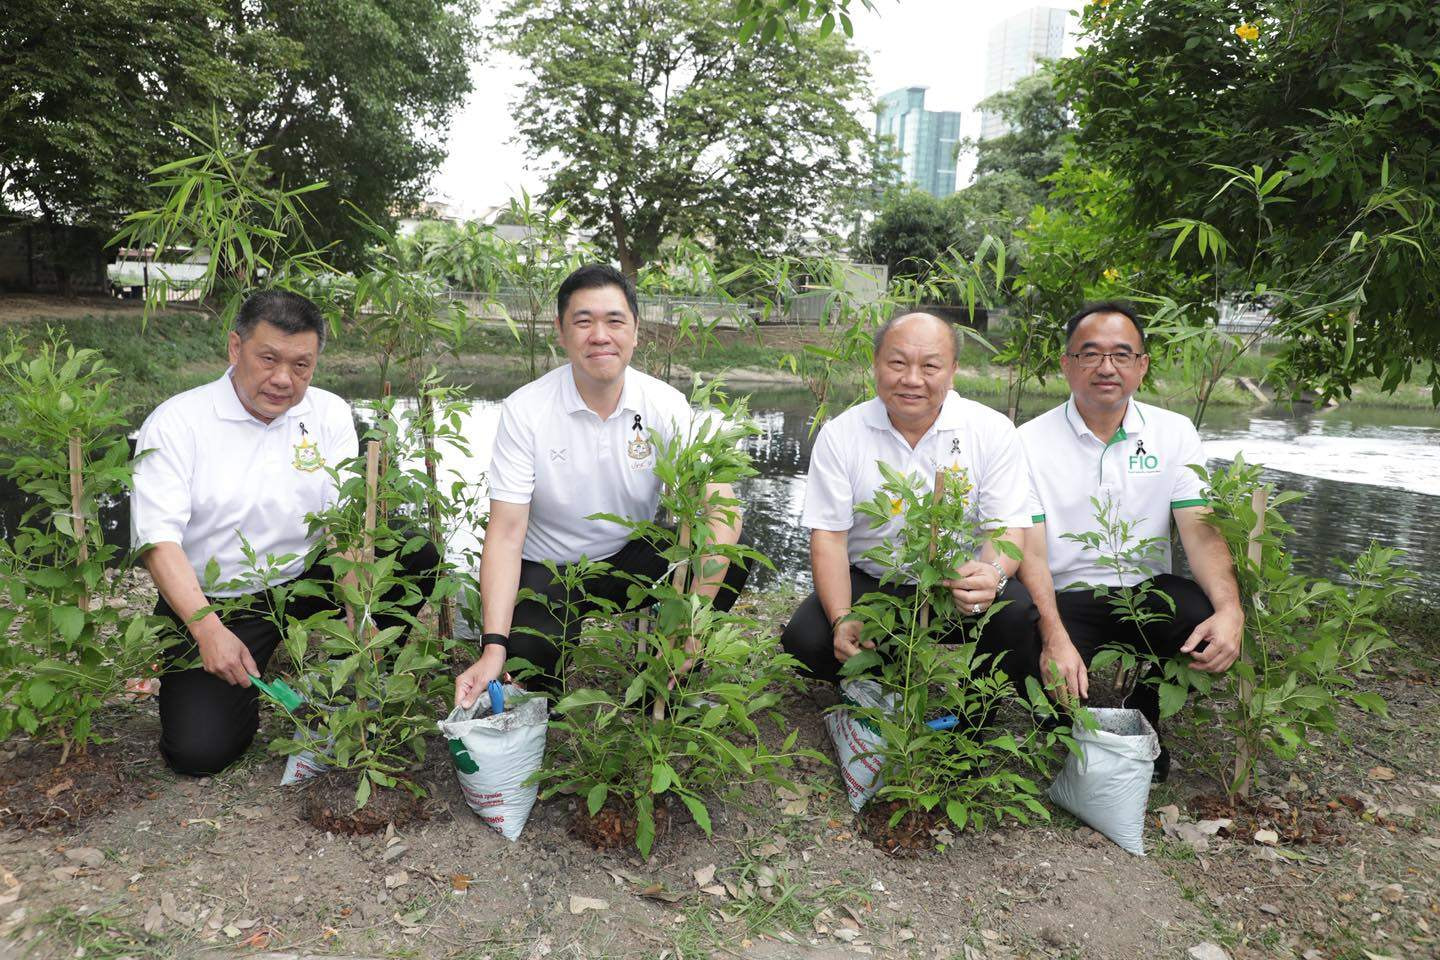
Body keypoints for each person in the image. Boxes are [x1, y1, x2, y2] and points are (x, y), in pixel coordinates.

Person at [131, 289, 438, 775]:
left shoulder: (328, 413)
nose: (283, 380)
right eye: (268, 359)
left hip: (307, 578)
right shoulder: (177, 423)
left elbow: (343, 526)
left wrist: (359, 615)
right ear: (236, 348)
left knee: (414, 549)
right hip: (221, 600)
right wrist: (207, 629)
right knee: (199, 753)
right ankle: (237, 669)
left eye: (301, 366)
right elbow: (157, 542)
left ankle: (348, 676)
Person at [454, 264, 749, 707]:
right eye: (583, 321)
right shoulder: (526, 410)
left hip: (629, 552)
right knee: (533, 672)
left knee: (730, 559)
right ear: (560, 331)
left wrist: (693, 622)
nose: (600, 335)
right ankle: (528, 661)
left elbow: (721, 511)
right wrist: (493, 645)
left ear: (635, 331)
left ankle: (666, 676)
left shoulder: (664, 404)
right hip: (550, 565)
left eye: (614, 321)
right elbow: (506, 533)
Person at [1016, 301, 1243, 779]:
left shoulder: (1174, 433)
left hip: (1143, 593)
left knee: (1200, 614)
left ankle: (1144, 709)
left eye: (1122, 355)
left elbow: (1201, 532)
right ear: (1066, 364)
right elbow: (1030, 550)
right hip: (1063, 596)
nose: (1106, 367)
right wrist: (1053, 636)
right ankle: (1067, 723)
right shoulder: (1027, 441)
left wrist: (1231, 610)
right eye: (1090, 354)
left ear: (1142, 366)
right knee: (1017, 626)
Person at [780, 312, 1039, 688]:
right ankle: (878, 685)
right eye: (898, 363)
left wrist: (992, 574)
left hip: (954, 582)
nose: (912, 379)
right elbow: (829, 539)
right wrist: (841, 616)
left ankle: (974, 708)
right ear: (876, 364)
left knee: (1016, 613)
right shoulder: (841, 435)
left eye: (930, 366)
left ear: (953, 371)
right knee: (806, 641)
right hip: (875, 580)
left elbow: (1006, 528)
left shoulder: (991, 431)